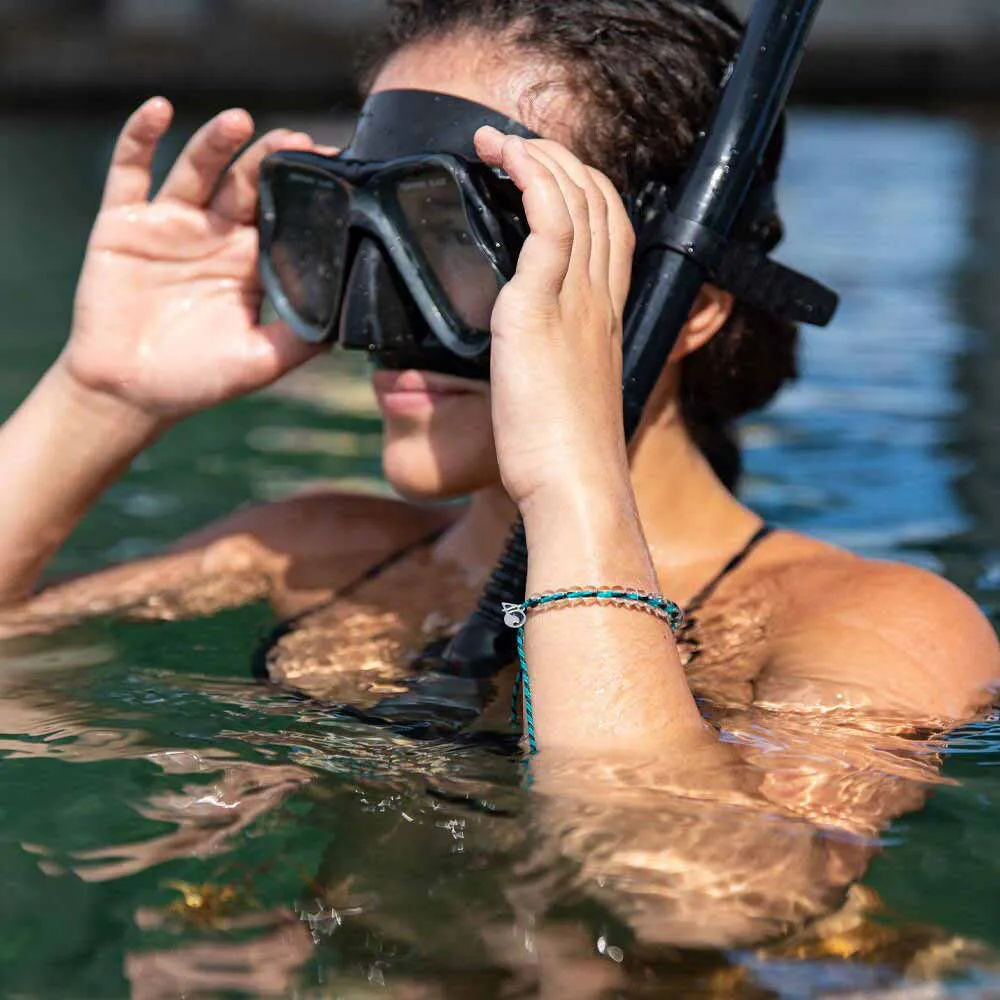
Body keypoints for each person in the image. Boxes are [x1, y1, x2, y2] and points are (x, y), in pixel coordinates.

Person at [0, 0, 997, 949]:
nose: (384, 311)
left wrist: (569, 482)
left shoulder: (870, 622)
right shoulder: (312, 552)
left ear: (685, 305)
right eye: (356, 230)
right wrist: (100, 395)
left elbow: (692, 900)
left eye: (453, 236)